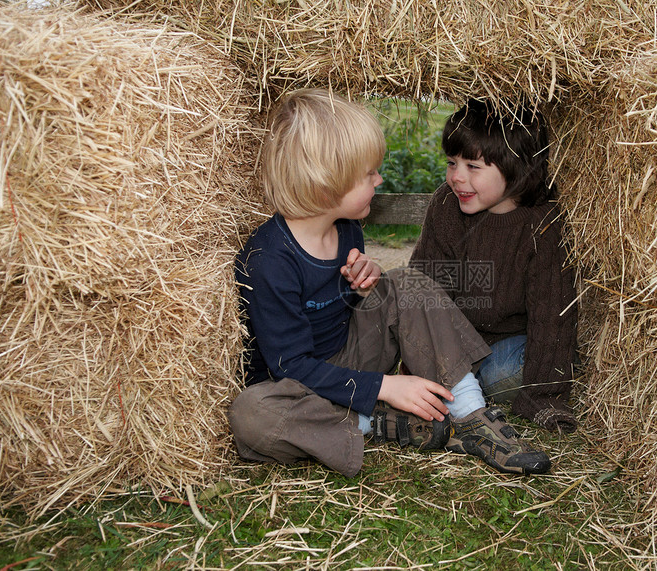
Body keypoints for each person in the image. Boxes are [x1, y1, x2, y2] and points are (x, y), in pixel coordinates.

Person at [229, 89, 551, 477]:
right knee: (251, 416)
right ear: (327, 183)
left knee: (408, 282)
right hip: (299, 387)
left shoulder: (347, 229)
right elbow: (291, 367)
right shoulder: (268, 262)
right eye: (368, 174)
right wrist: (382, 387)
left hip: (351, 356)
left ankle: (471, 415)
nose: (380, 178)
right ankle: (378, 423)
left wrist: (364, 286)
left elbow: (351, 311)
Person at [409, 99, 579, 433]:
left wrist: (544, 396)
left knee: (505, 371)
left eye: (472, 167)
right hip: (453, 342)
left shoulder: (541, 226)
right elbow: (426, 287)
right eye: (451, 162)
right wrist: (421, 359)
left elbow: (553, 315)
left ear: (516, 170)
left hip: (508, 346)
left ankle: (466, 388)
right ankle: (454, 385)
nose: (456, 177)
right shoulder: (446, 205)